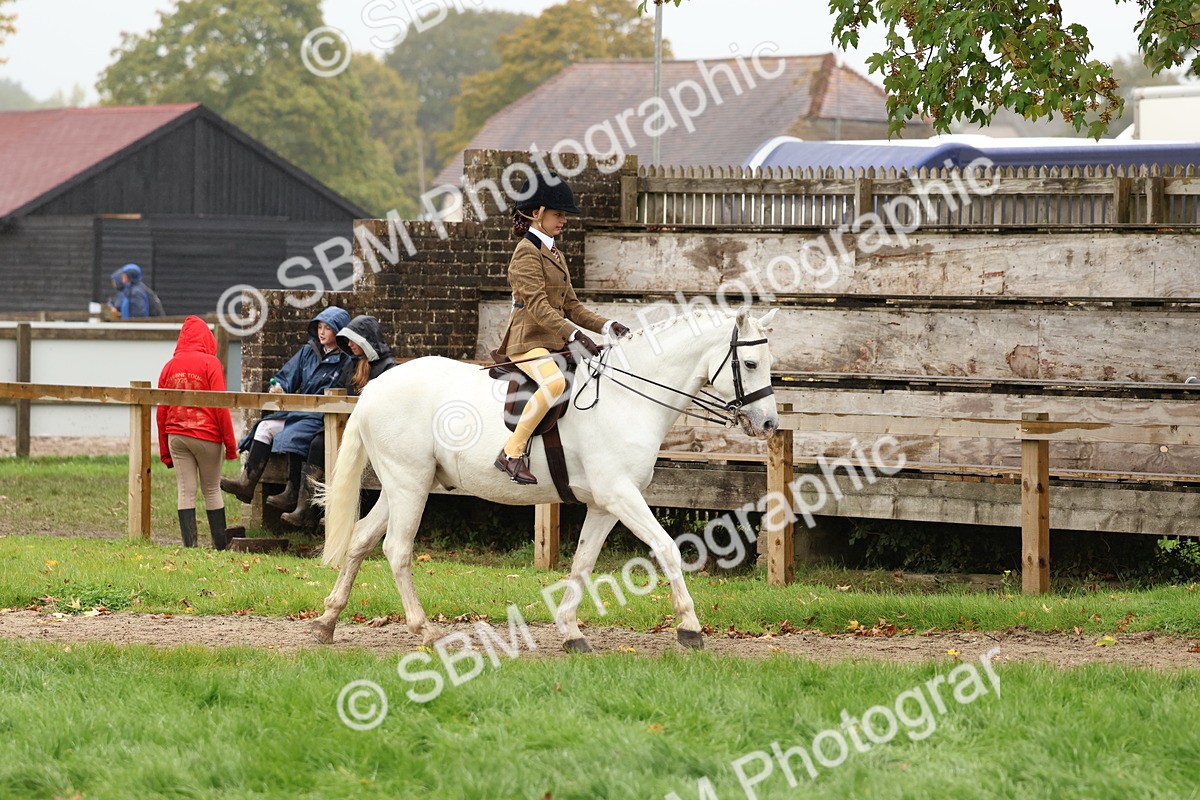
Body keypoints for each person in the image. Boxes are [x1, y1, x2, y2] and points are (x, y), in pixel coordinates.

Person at [493, 172, 631, 485]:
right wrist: (574, 334)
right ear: (536, 213)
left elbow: (571, 306)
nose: (563, 220)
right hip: (528, 342)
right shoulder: (524, 254)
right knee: (554, 383)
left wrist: (606, 324)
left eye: (564, 215)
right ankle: (512, 453)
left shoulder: (555, 253)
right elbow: (539, 307)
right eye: (558, 214)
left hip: (553, 340)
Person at [221, 306, 351, 505]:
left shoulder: (346, 360)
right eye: (319, 327)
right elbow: (287, 375)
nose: (321, 332)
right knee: (264, 427)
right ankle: (247, 483)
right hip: (299, 412)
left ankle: (292, 492)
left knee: (292, 434)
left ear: (339, 331)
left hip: (322, 418)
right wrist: (280, 387)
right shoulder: (308, 351)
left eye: (328, 328)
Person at [281, 314, 396, 527]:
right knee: (316, 442)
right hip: (344, 426)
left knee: (338, 450)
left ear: (366, 340)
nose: (350, 345)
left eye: (354, 340)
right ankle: (305, 508)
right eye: (348, 340)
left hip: (371, 432)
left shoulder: (388, 368)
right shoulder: (350, 366)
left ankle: (337, 515)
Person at [156, 316, 238, 549]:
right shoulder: (210, 364)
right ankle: (220, 546)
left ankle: (190, 546)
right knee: (211, 489)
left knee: (186, 491)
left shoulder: (169, 367)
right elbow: (220, 408)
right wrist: (230, 446)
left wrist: (165, 450)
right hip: (207, 435)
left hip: (177, 436)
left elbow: (161, 412)